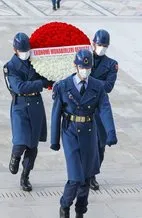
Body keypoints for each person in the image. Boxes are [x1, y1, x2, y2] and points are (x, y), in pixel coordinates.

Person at [50, 49, 118, 218]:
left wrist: (110, 131)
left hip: (89, 133)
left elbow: (104, 108)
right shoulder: (63, 86)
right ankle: (65, 205)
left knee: (86, 178)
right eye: (82, 67)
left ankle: (80, 210)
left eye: (87, 67)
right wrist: (54, 140)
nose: (85, 70)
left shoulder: (97, 86)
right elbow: (56, 112)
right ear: (75, 65)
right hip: (70, 132)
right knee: (75, 177)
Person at [4, 32, 53, 192]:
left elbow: (48, 77)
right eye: (22, 50)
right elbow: (19, 87)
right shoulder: (10, 66)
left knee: (33, 145)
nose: (25, 53)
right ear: (15, 50)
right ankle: (15, 156)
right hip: (20, 105)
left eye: (27, 49)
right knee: (20, 140)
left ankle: (25, 175)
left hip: (36, 104)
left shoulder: (35, 61)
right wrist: (40, 83)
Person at [89, 29, 118, 191]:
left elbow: (108, 87)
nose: (102, 48)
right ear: (93, 43)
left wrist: (89, 80)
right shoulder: (84, 57)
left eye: (104, 45)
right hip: (84, 105)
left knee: (101, 144)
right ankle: (84, 173)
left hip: (100, 105)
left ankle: (93, 174)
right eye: (99, 45)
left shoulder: (111, 64)